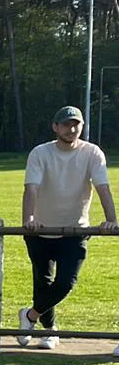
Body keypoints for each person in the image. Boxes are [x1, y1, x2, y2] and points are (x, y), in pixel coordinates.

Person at [18, 106, 117, 350]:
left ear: (82, 126)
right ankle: (50, 331)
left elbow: (102, 187)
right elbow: (31, 188)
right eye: (66, 124)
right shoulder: (40, 153)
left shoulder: (92, 153)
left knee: (65, 283)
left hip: (75, 230)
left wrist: (111, 219)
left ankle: (30, 315)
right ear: (55, 127)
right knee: (42, 283)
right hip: (40, 229)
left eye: (76, 124)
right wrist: (29, 219)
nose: (71, 129)